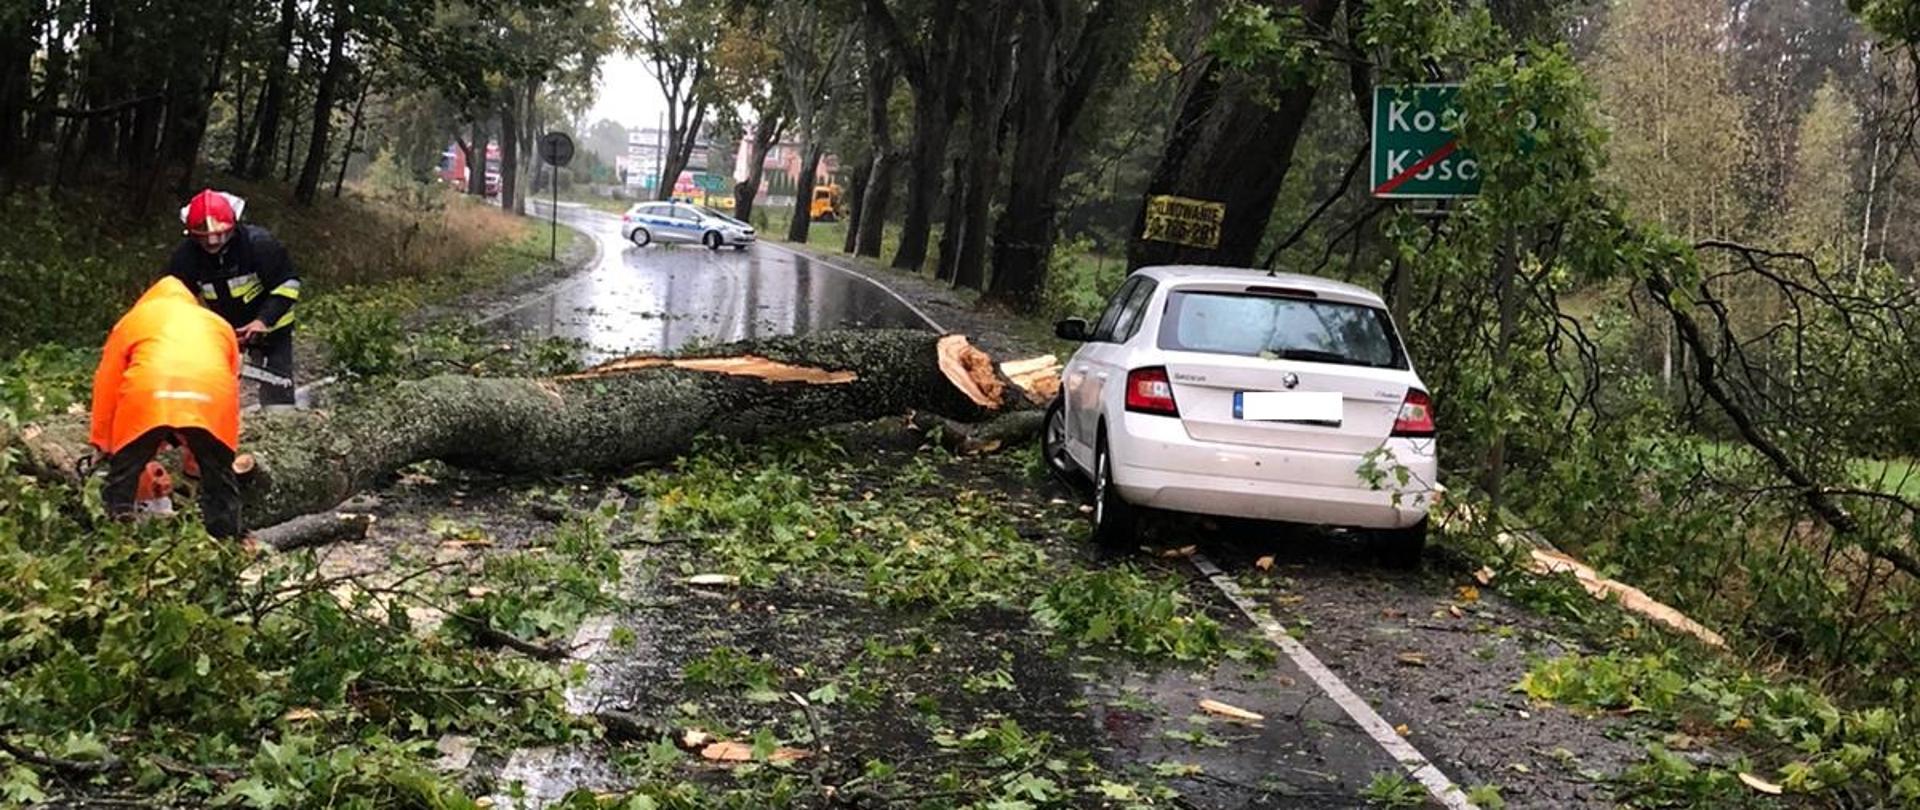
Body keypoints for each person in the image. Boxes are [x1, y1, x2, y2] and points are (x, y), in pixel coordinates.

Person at [90, 276, 244, 539]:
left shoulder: (132, 321)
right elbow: (229, 384)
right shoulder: (218, 324)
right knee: (220, 479)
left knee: (123, 478)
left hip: (148, 394)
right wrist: (200, 456)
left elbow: (107, 383)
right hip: (210, 396)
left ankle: (116, 535)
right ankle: (226, 540)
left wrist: (103, 443)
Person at [166, 189, 302, 407]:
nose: (212, 241)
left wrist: (263, 321)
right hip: (225, 329)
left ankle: (281, 416)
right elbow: (174, 296)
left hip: (272, 325)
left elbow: (288, 284)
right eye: (204, 237)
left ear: (233, 227)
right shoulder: (186, 257)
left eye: (220, 234)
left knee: (277, 386)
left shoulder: (260, 245)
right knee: (217, 384)